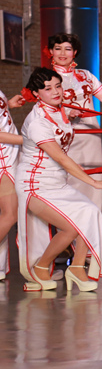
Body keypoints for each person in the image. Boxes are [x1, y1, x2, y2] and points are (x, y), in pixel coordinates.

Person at [16, 67, 102, 292]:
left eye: (58, 86)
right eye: (47, 88)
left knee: (90, 212)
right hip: (35, 184)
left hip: (57, 181)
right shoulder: (38, 121)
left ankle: (77, 267)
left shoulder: (59, 110)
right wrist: (94, 182)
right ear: (36, 93)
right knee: (71, 228)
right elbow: (60, 157)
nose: (55, 92)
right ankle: (41, 267)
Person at [47, 33, 102, 215]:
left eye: (67, 49)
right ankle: (70, 227)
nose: (62, 53)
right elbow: (44, 110)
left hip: (91, 136)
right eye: (58, 48)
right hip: (65, 136)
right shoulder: (47, 79)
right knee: (71, 180)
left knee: (94, 178)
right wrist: (67, 114)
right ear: (51, 51)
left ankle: (94, 226)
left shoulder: (86, 75)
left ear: (75, 52)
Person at [0, 90, 23, 280]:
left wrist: (8, 104)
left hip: (10, 156)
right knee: (10, 214)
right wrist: (30, 139)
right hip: (4, 161)